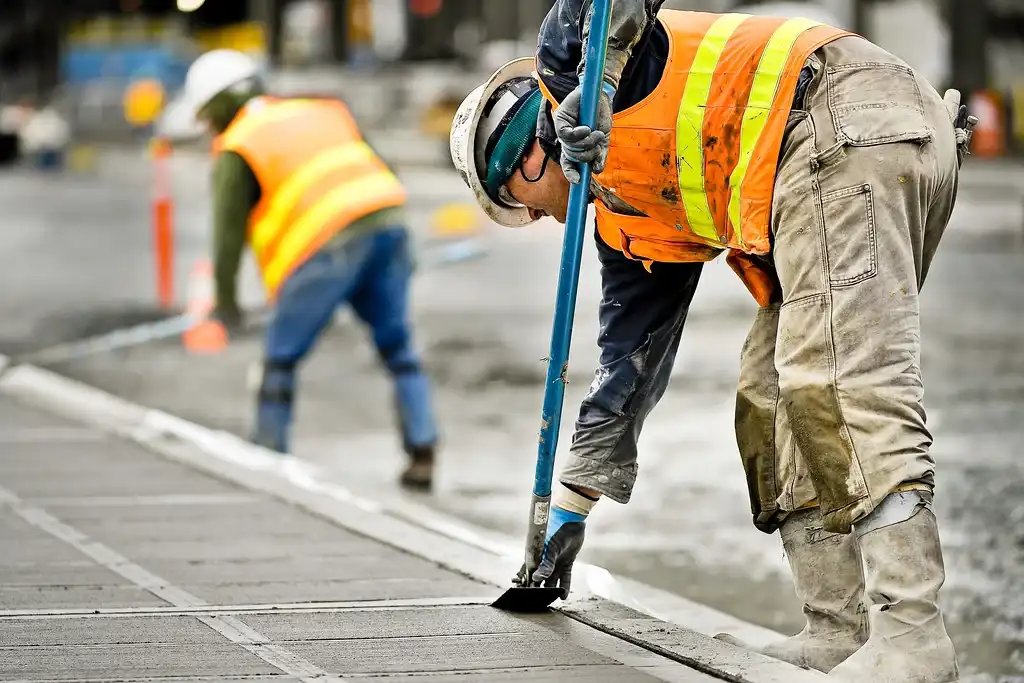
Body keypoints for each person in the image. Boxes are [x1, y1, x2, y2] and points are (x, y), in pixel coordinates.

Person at [449, 3, 976, 682]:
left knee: (840, 378)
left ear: (524, 151)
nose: (539, 218)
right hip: (836, 153)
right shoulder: (626, 211)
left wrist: (600, 82)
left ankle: (913, 636)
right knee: (772, 393)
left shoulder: (569, 57)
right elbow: (626, 373)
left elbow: (619, 9)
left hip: (842, 120)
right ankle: (837, 628)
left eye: (520, 202)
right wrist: (564, 524)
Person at [180, 49, 440, 490]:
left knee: (279, 361)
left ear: (218, 104)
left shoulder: (239, 144)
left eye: (205, 116)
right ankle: (422, 448)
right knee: (398, 349)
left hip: (326, 248)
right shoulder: (321, 110)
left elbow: (226, 239)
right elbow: (379, 171)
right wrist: (399, 250)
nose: (207, 127)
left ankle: (267, 464)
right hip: (387, 226)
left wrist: (225, 306)